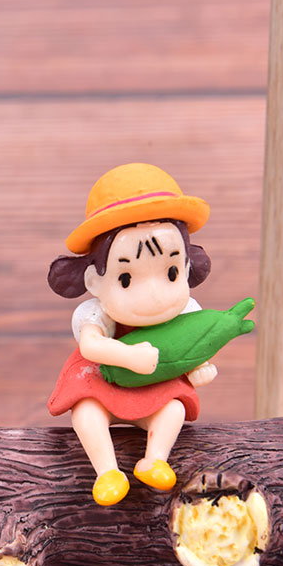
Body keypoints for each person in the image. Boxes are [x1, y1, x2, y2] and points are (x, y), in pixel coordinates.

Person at [47, 163, 216, 506]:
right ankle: (107, 471)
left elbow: (195, 344)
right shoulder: (97, 313)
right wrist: (129, 356)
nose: (153, 296)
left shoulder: (187, 312)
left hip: (155, 386)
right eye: (126, 279)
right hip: (103, 380)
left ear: (186, 267)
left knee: (173, 408)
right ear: (95, 280)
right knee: (86, 412)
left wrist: (200, 365)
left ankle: (154, 459)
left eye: (170, 272)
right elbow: (91, 345)